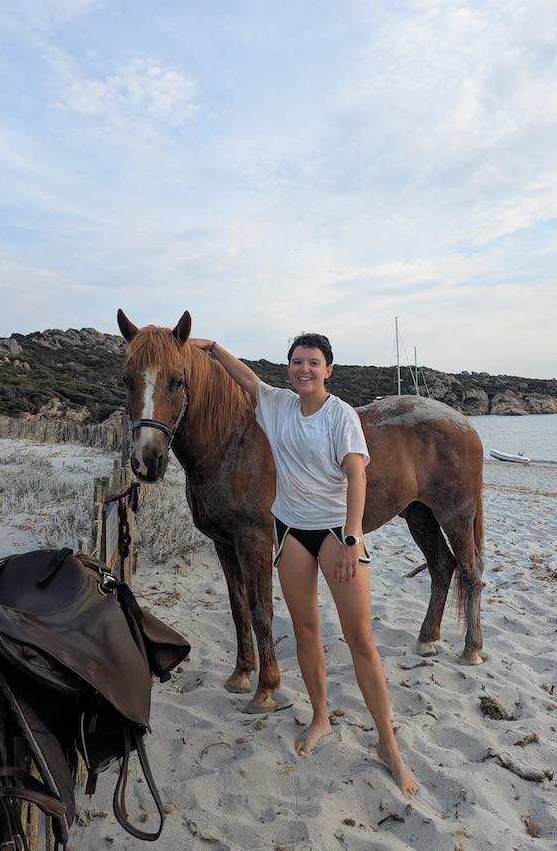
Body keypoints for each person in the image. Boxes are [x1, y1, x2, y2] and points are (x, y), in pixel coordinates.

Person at [192, 333, 419, 798]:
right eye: (297, 362)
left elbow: (357, 474)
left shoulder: (341, 416)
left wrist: (354, 537)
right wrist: (212, 348)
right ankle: (320, 718)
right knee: (307, 632)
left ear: (328, 369)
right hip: (293, 533)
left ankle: (388, 745)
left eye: (313, 363)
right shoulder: (276, 405)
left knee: (361, 640)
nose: (304, 370)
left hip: (337, 532)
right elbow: (249, 381)